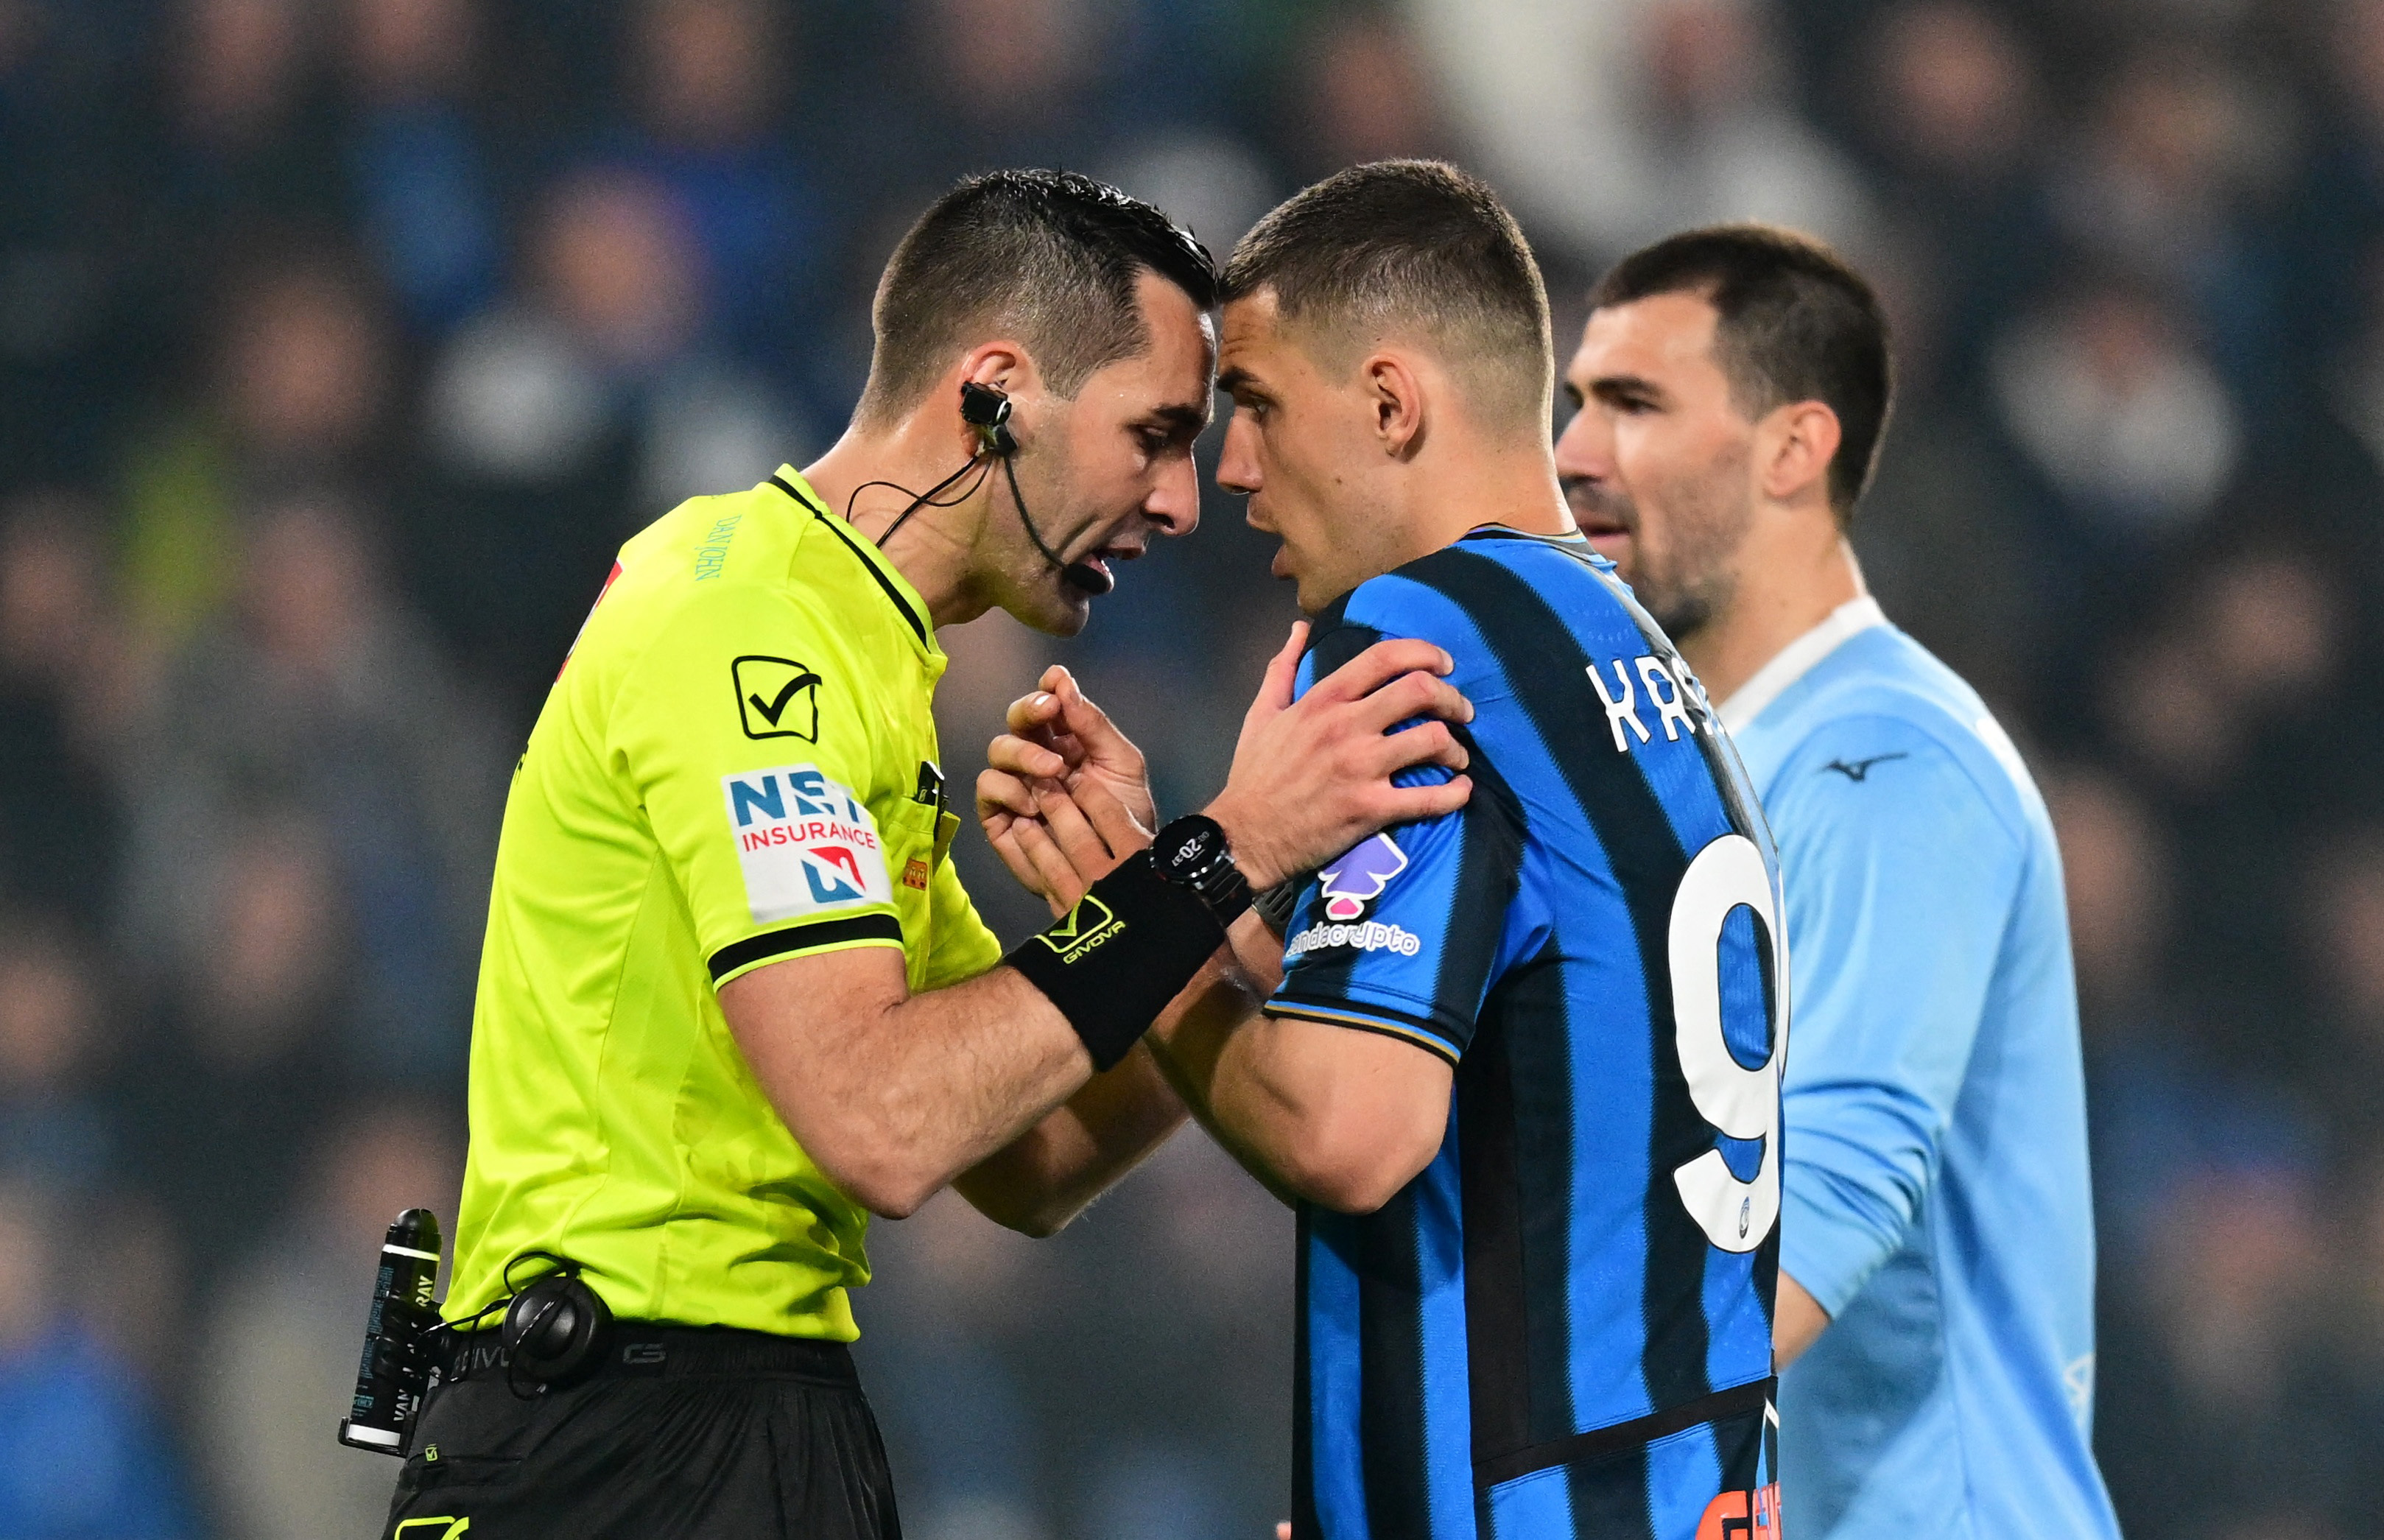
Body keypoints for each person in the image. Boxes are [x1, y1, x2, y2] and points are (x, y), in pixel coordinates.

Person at [387, 169, 1477, 1540]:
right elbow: (883, 1123)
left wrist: (1227, 906)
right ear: (995, 393)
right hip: (615, 1438)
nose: (1182, 503)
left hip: (749, 1420)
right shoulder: (749, 627)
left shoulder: (861, 654)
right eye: (1152, 436)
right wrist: (1215, 849)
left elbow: (1026, 1159)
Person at [981, 161, 1788, 1539]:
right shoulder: (1634, 654)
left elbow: (1352, 1130)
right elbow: (1500, 1060)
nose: (1226, 470)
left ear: (1389, 403)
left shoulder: (1416, 639)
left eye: (1257, 407)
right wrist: (1211, 900)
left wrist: (1155, 904)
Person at [1553, 224, 2121, 1538]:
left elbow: (1831, 1190)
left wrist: (1488, 1441)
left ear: (1792, 451)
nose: (1574, 452)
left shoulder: (1887, 762)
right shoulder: (1706, 766)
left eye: (1633, 404)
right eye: (1576, 403)